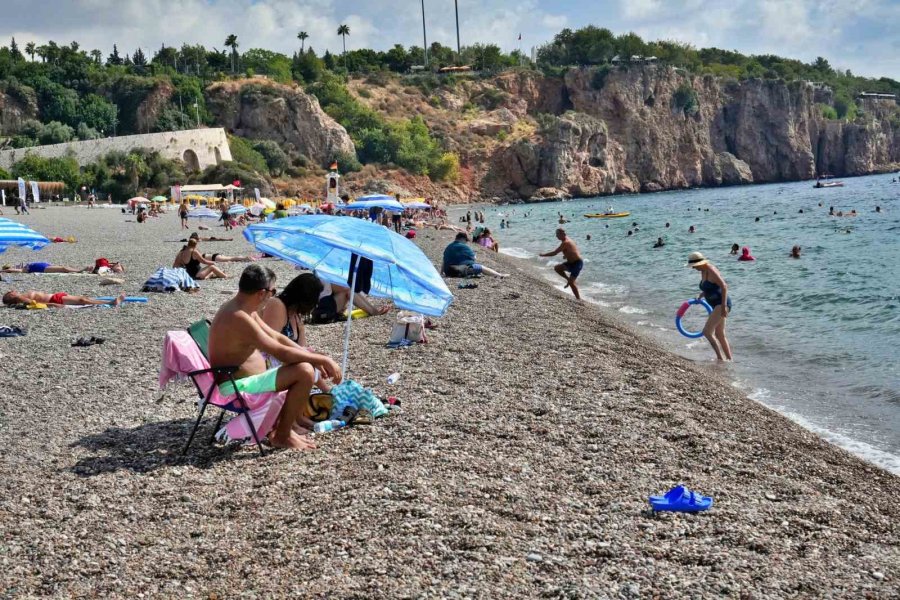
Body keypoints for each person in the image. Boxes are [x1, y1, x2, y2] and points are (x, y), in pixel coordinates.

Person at [209, 265, 342, 450]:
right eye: (273, 291)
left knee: (306, 366)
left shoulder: (244, 309)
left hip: (244, 379)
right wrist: (320, 360)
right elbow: (278, 351)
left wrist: (313, 356)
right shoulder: (239, 317)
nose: (273, 296)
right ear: (262, 293)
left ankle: (286, 428)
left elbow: (277, 337)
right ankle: (282, 435)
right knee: (304, 371)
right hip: (237, 386)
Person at [686, 252, 732, 361]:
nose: (693, 268)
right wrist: (701, 295)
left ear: (699, 263)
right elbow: (710, 288)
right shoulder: (702, 271)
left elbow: (724, 286)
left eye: (693, 266)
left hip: (721, 304)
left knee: (707, 332)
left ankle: (720, 359)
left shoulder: (711, 269)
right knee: (719, 334)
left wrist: (723, 307)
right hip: (716, 304)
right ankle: (729, 360)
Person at [540, 228, 583, 300]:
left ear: (562, 234)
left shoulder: (565, 242)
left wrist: (543, 255)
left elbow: (554, 253)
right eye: (556, 234)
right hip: (570, 263)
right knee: (557, 268)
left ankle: (578, 299)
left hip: (577, 264)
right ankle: (568, 279)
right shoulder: (568, 240)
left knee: (572, 283)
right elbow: (573, 250)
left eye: (557, 234)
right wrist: (566, 255)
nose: (556, 236)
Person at [442, 232, 508, 278]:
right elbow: (474, 259)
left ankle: (498, 275)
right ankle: (499, 275)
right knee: (481, 267)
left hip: (448, 271)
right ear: (463, 239)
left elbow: (444, 261)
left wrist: (441, 273)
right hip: (457, 271)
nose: (466, 242)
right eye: (466, 241)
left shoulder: (448, 247)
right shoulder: (464, 247)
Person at [2, 290, 125, 308]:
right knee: (83, 301)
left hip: (56, 296)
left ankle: (109, 302)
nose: (13, 291)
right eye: (11, 292)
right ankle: (111, 303)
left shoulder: (21, 296)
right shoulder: (21, 298)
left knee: (84, 299)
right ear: (12, 296)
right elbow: (34, 304)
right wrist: (52, 305)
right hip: (55, 300)